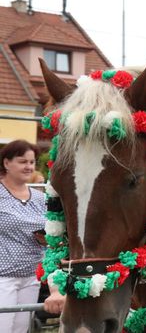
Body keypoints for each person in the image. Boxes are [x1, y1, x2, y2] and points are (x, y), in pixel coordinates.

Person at [0, 140, 60, 332]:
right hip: (3, 277)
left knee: (20, 329)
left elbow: (53, 231)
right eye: (22, 161)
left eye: (32, 162)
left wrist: (44, 238)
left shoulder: (40, 198)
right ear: (6, 163)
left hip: (31, 276)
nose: (28, 167)